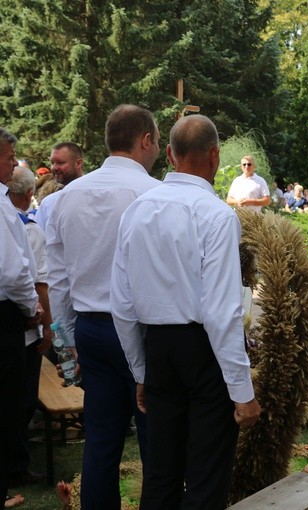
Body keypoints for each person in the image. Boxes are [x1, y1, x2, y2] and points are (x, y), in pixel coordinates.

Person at [111, 115, 261, 509]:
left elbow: (122, 304)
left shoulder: (137, 211)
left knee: (160, 471)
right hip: (201, 349)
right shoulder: (215, 214)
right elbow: (221, 312)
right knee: (206, 474)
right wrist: (242, 391)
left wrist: (141, 369)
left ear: (173, 156)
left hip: (157, 345)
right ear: (214, 156)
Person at [46, 104, 161, 510]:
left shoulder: (66, 198)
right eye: (157, 141)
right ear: (145, 140)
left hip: (90, 330)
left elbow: (57, 279)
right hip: (145, 330)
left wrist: (66, 341)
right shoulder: (152, 194)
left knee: (100, 440)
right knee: (155, 442)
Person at [0, 128, 43, 509]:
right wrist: (32, 309)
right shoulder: (0, 206)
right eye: (8, 156)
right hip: (6, 315)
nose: (14, 163)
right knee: (8, 401)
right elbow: (14, 273)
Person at [7, 166, 54, 489]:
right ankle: (15, 466)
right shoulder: (29, 229)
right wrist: (47, 328)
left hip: (12, 322)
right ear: (28, 195)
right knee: (20, 401)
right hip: (21, 328)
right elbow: (39, 285)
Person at [34, 142, 85, 230]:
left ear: (78, 163)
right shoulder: (49, 203)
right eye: (52, 163)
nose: (54, 168)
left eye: (60, 163)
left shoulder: (95, 194)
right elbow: (40, 239)